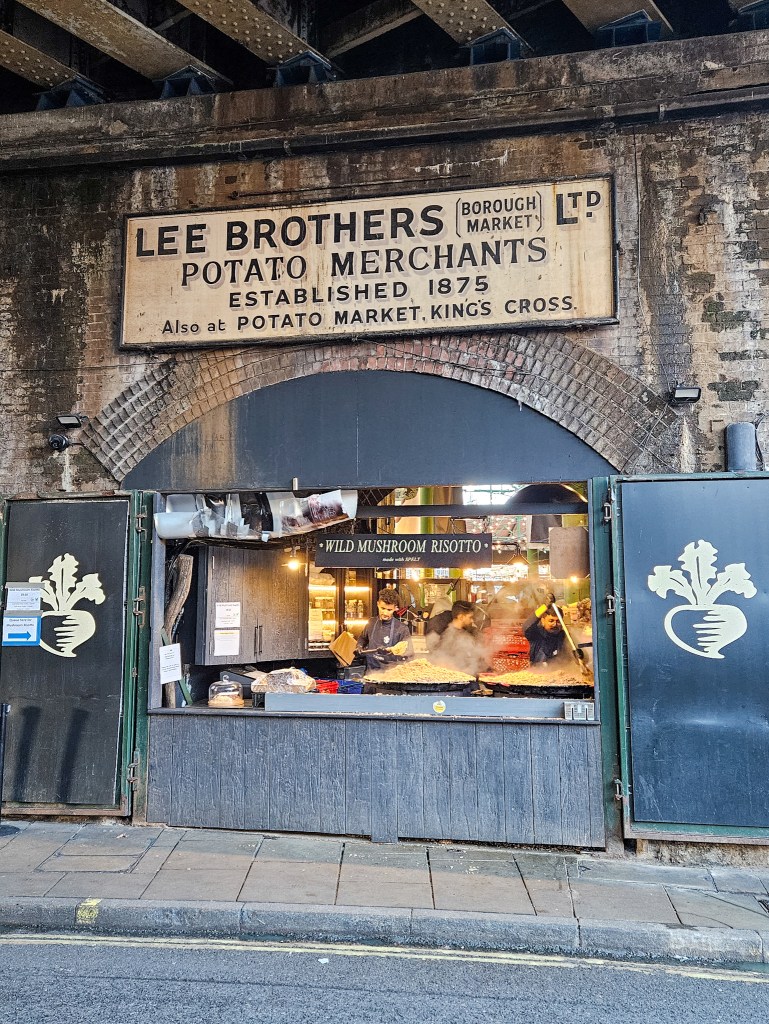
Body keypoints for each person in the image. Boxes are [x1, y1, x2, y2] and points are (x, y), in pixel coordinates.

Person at [356, 587, 413, 672]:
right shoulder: (371, 622)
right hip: (371, 672)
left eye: (389, 610)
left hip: (391, 673)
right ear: (378, 604)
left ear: (395, 608)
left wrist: (397, 653)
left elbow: (409, 654)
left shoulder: (402, 628)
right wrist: (359, 646)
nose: (385, 613)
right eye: (382, 608)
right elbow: (363, 638)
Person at [431, 601, 491, 677]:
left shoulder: (462, 633)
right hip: (461, 678)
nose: (472, 621)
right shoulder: (450, 637)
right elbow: (445, 663)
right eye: (470, 617)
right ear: (461, 617)